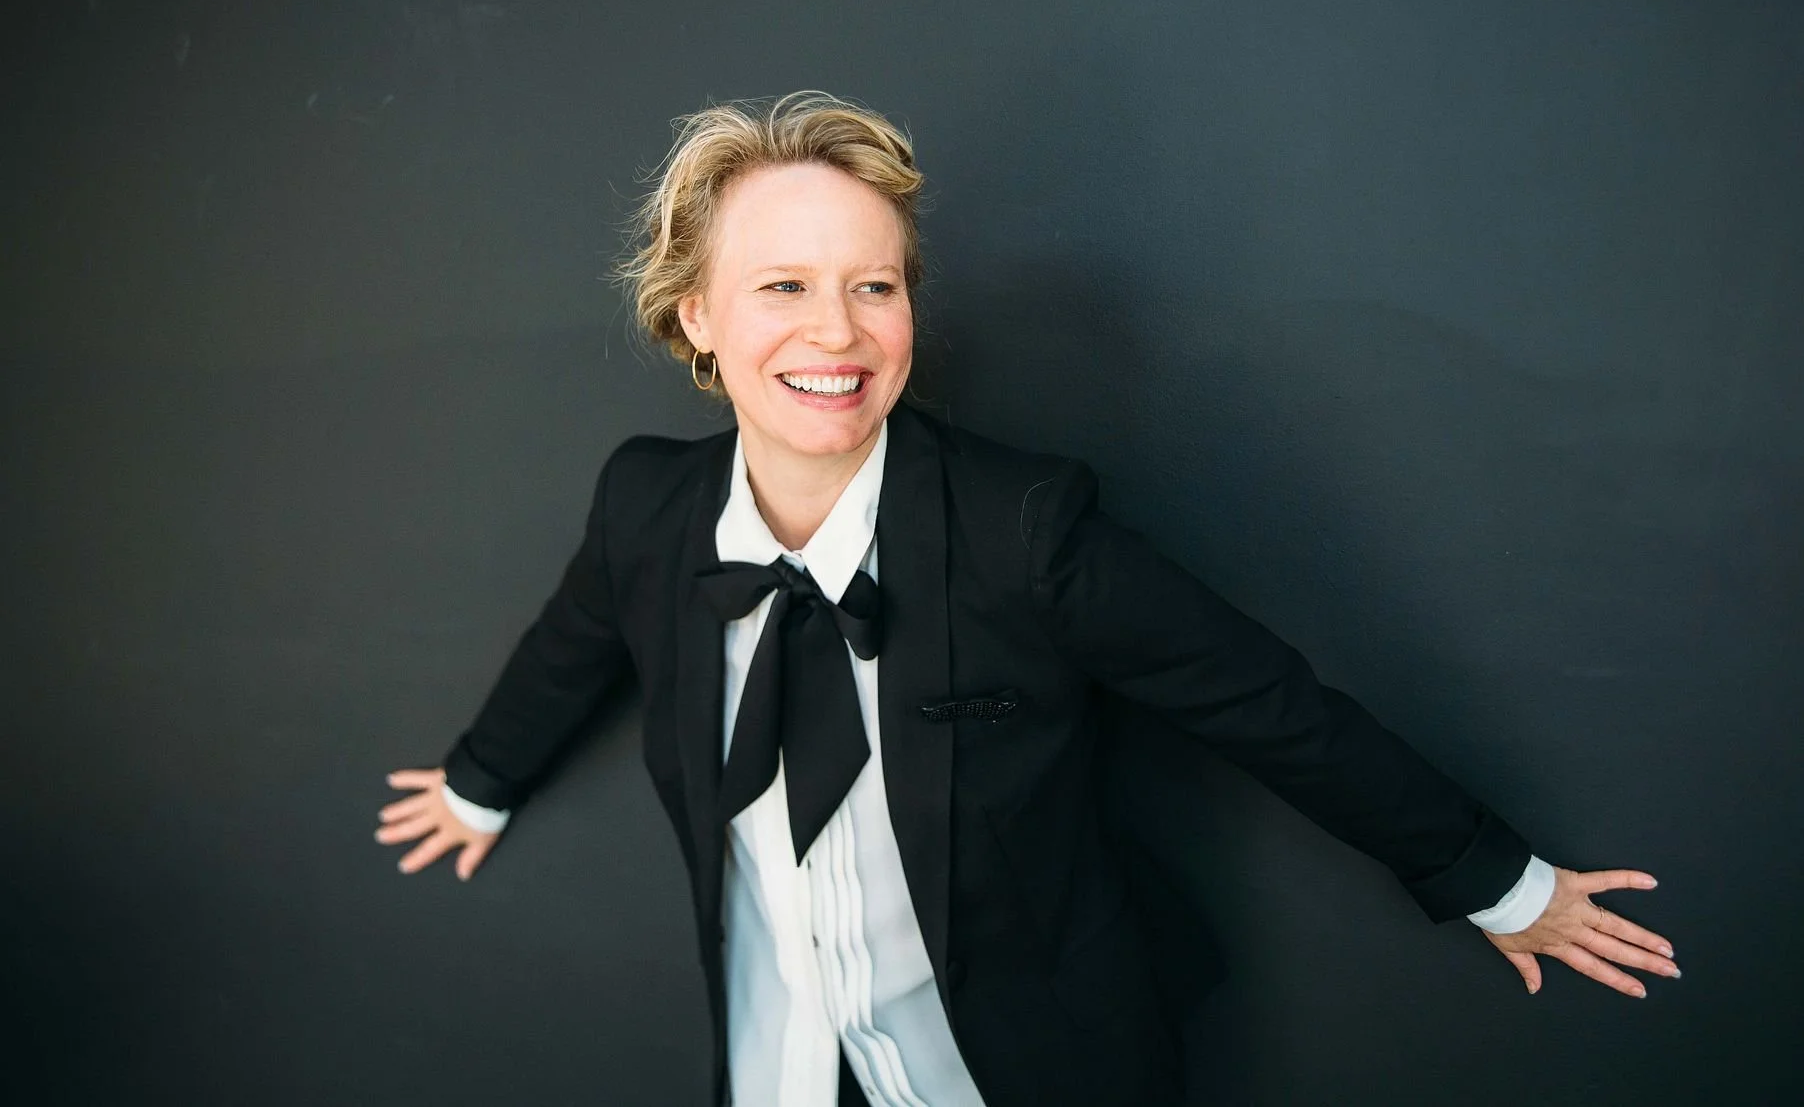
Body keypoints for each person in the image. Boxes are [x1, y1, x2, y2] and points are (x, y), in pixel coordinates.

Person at [375, 91, 1677, 1107]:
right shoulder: (645, 508)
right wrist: (481, 777)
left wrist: (1495, 881)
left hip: (1027, 1071)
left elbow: (1271, 707)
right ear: (695, 317)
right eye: (783, 287)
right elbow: (572, 644)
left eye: (872, 285)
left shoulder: (1023, 529)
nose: (836, 332)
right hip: (780, 1069)